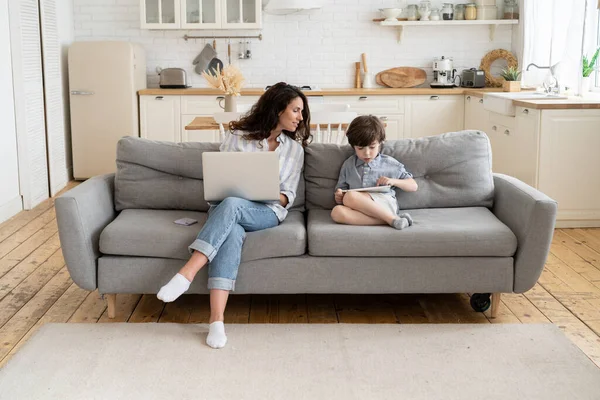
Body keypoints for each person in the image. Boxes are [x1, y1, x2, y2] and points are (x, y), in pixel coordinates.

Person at [157, 82, 310, 349]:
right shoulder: (238, 136)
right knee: (232, 226)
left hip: (267, 211)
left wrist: (265, 193)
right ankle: (216, 321)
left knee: (233, 206)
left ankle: (186, 274)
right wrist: (241, 194)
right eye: (296, 110)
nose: (300, 117)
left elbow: (288, 196)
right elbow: (220, 179)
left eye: (301, 112)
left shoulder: (294, 150)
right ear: (277, 110)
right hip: (226, 208)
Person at [331, 115, 418, 229]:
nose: (366, 153)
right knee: (336, 212)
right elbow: (341, 193)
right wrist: (338, 196)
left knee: (350, 196)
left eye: (372, 147)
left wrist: (393, 181)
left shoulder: (389, 163)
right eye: (360, 148)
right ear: (353, 147)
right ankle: (394, 220)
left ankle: (391, 217)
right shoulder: (348, 165)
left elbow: (413, 186)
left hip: (384, 204)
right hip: (360, 209)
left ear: (380, 143)